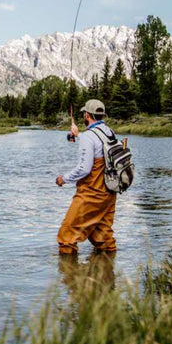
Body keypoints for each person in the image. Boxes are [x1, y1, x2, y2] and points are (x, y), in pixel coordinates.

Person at [55, 99, 117, 255]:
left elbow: (84, 169)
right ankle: (108, 273)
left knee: (66, 236)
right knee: (102, 236)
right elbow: (98, 151)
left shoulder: (89, 136)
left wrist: (64, 178)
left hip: (91, 194)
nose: (83, 115)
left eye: (84, 113)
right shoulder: (109, 132)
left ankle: (69, 276)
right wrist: (79, 136)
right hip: (109, 193)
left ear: (87, 115)